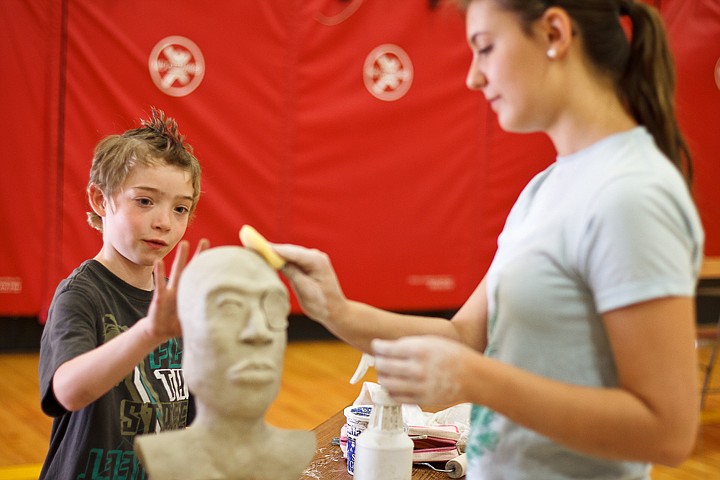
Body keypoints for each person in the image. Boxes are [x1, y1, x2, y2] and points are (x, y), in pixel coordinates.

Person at [268, 1, 705, 478]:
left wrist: (478, 381)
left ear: (555, 33)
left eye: (485, 48)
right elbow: (465, 339)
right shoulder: (546, 188)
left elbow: (667, 430)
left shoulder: (632, 194)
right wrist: (335, 309)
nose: (474, 77)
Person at [38, 108, 208, 479]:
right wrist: (148, 333)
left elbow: (192, 419)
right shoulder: (81, 295)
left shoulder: (179, 301)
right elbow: (67, 391)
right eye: (145, 201)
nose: (164, 221)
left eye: (181, 208)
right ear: (100, 200)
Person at [134, 246, 316, 480]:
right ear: (184, 335)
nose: (260, 331)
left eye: (274, 307)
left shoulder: (297, 450)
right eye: (229, 307)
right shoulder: (162, 458)